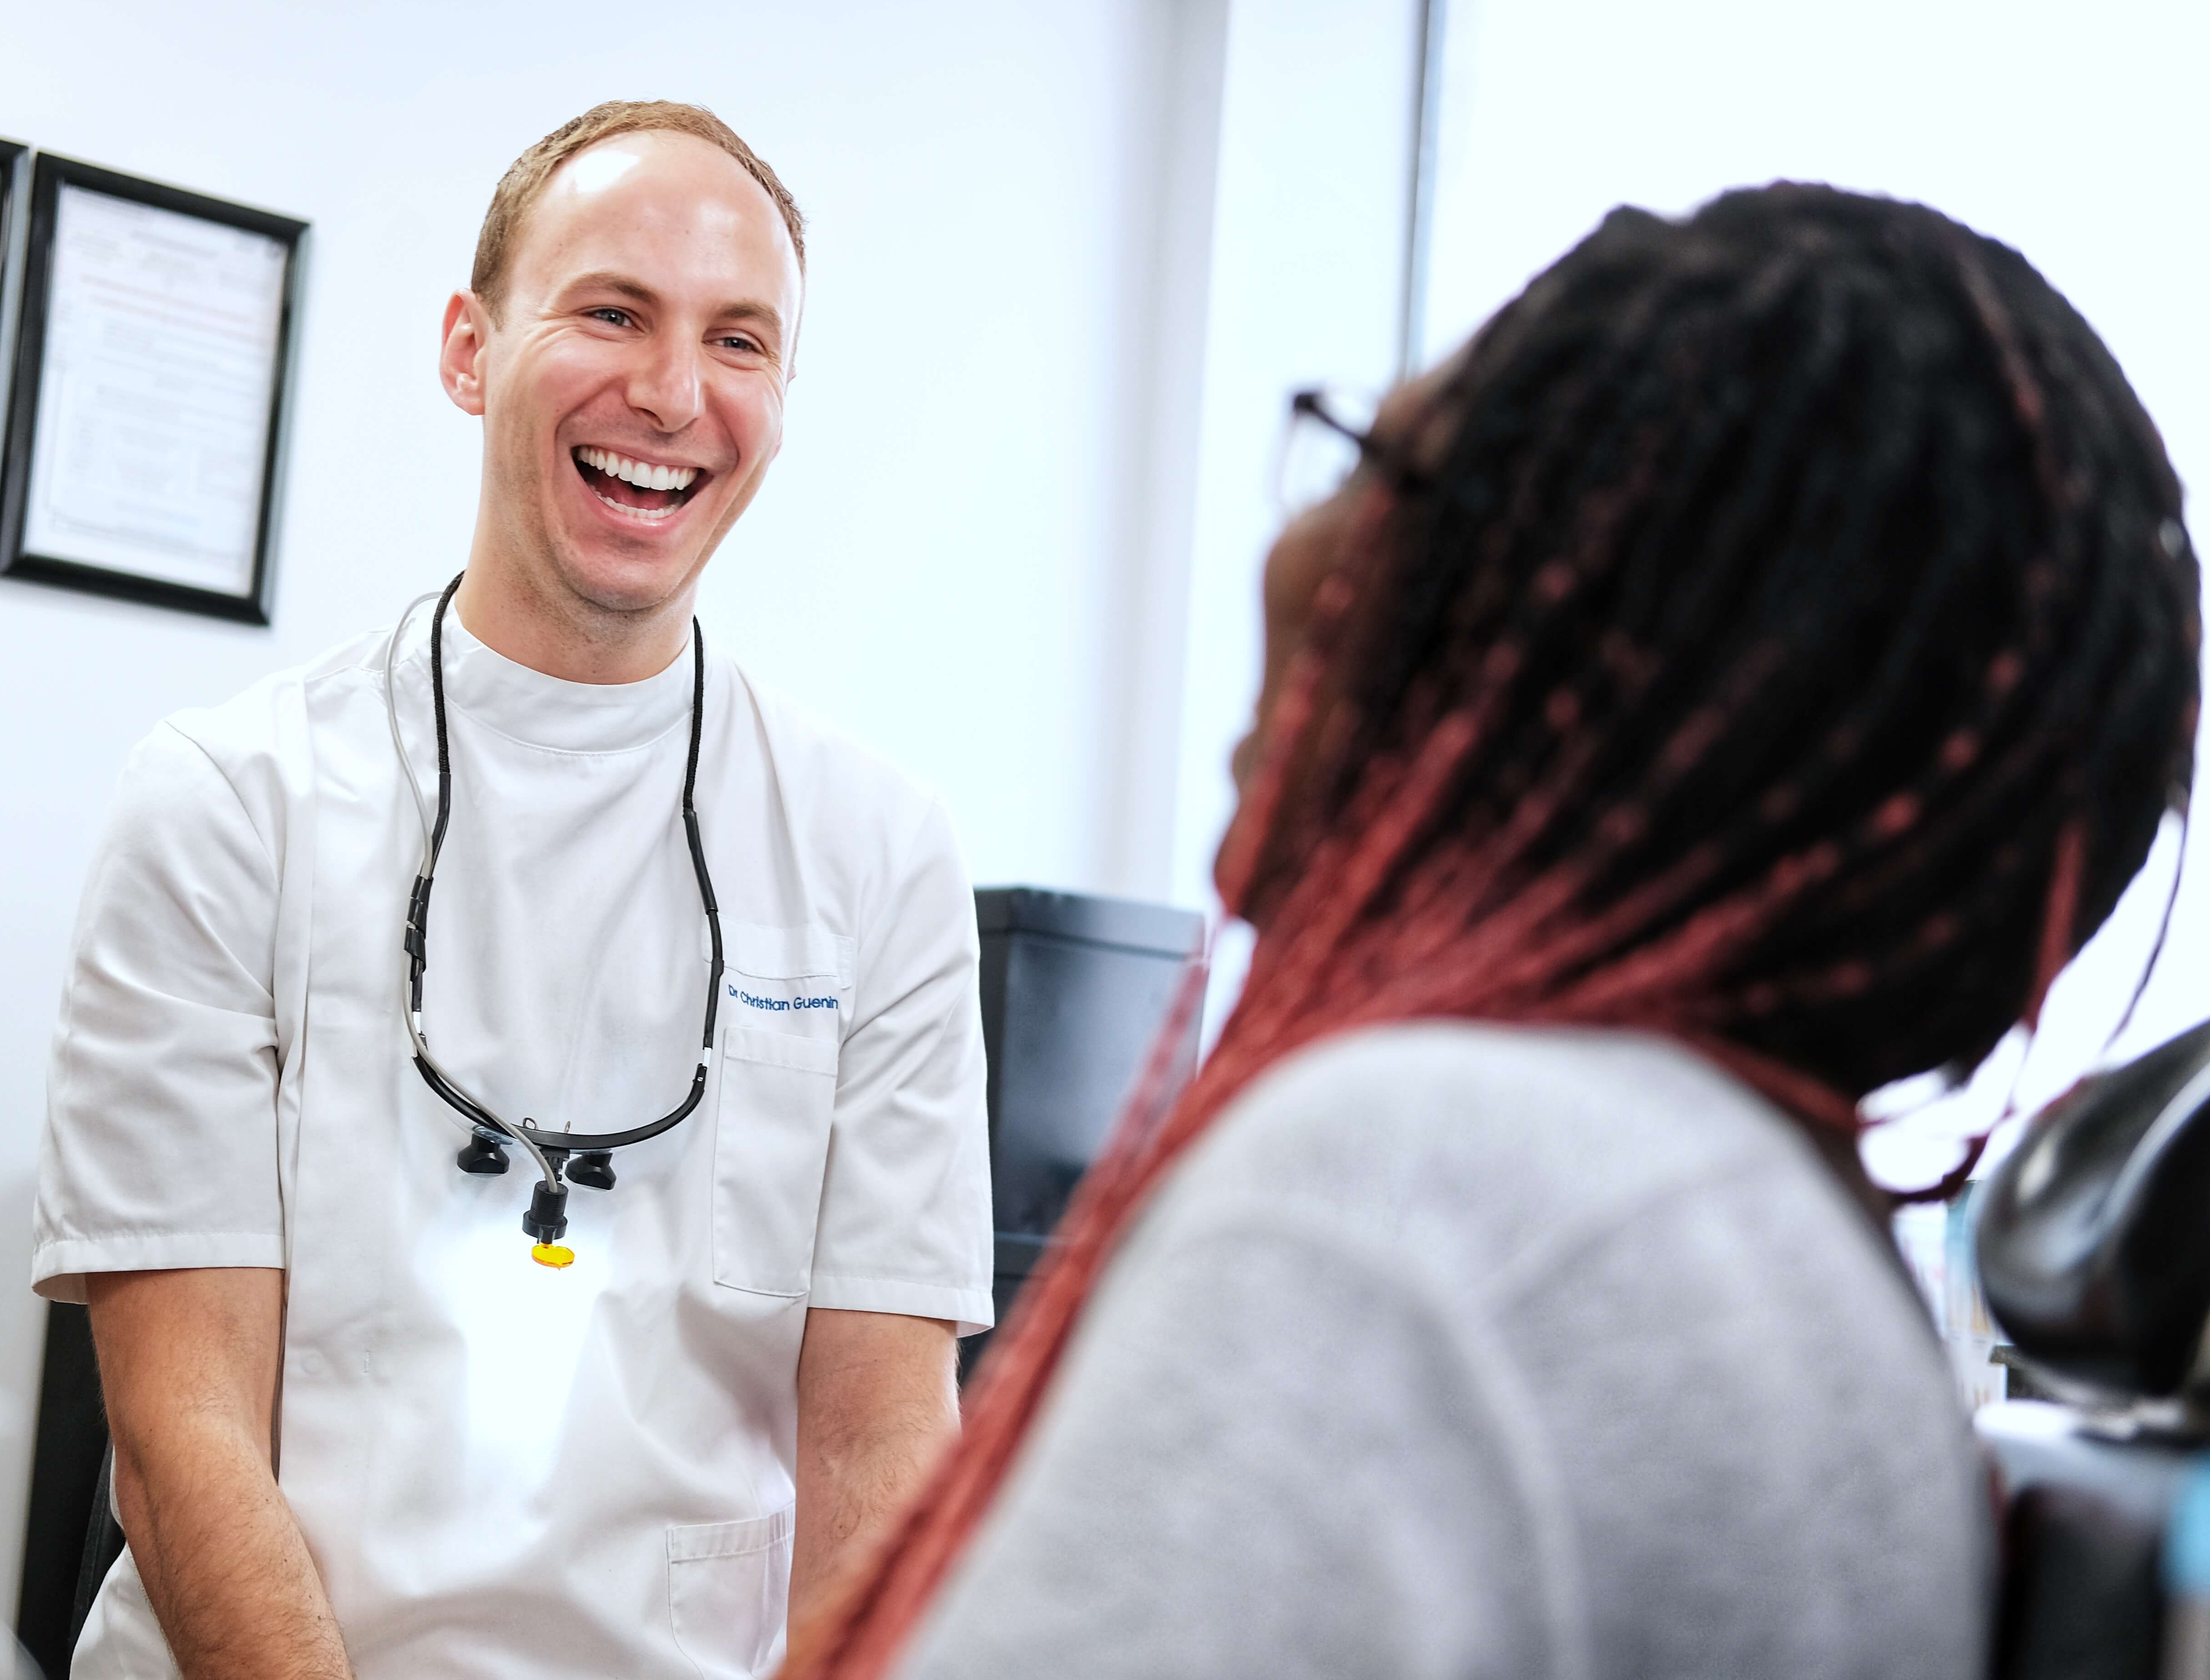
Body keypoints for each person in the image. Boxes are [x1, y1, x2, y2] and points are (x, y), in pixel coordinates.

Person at [783, 186, 2201, 1680]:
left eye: (1374, 470)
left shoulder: (1440, 1193)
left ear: (1609, 644)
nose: (1292, 563)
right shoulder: (1755, 1244)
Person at [32, 101, 993, 1680]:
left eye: (739, 342)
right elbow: (181, 1433)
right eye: (612, 312)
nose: (673, 394)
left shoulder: (877, 854)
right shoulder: (227, 803)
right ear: (471, 351)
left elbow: (882, 1448)